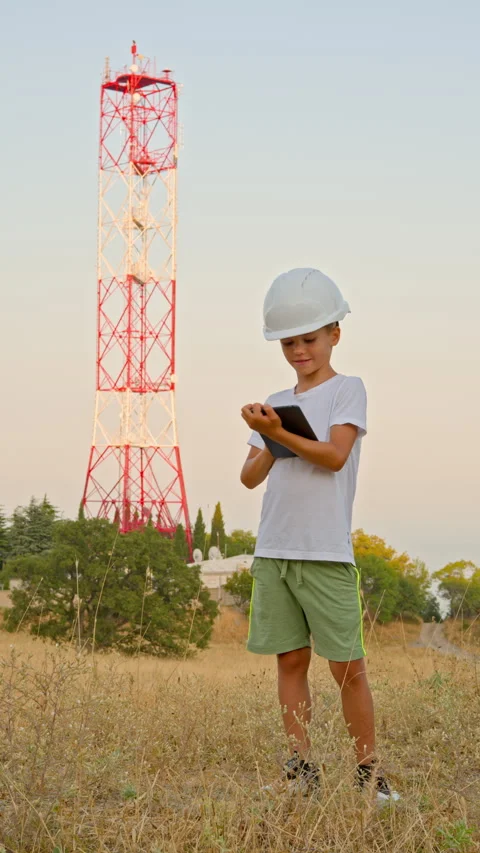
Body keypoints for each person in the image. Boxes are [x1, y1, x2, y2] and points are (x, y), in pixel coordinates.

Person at [240, 268, 399, 805]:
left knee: (347, 668)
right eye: (288, 342)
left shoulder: (347, 390)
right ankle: (301, 771)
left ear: (335, 333)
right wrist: (267, 435)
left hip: (325, 551)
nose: (299, 350)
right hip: (275, 548)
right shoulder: (275, 400)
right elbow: (250, 476)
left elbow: (334, 457)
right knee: (289, 662)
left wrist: (278, 431)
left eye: (309, 339)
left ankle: (370, 775)